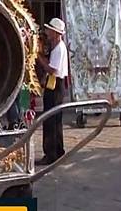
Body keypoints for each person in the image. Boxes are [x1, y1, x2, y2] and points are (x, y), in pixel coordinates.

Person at [36, 18, 69, 166]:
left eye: (50, 30)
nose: (47, 32)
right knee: (55, 119)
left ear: (56, 33)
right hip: (54, 84)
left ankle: (50, 153)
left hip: (56, 85)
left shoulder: (59, 48)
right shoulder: (56, 47)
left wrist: (39, 58)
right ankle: (57, 150)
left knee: (50, 120)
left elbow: (52, 69)